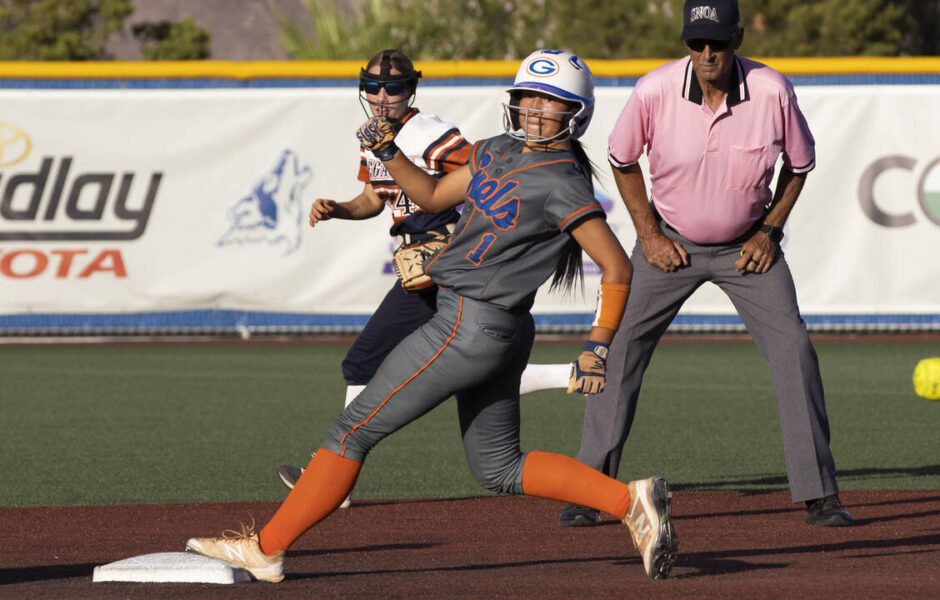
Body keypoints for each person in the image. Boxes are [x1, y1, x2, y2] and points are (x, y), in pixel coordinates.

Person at [186, 49, 679, 582]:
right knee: (498, 467)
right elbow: (435, 193)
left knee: (351, 431)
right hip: (493, 327)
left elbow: (616, 266)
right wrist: (390, 153)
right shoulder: (495, 150)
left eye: (551, 101)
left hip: (468, 323)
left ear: (575, 112)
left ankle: (266, 548)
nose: (535, 109)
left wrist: (597, 345)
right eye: (528, 96)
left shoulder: (562, 179)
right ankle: (630, 501)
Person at [558, 0, 853, 529]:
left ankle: (820, 495)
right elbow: (623, 162)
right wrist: (647, 234)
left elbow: (800, 164)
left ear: (738, 37)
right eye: (697, 43)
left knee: (795, 350)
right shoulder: (653, 90)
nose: (708, 52)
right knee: (618, 351)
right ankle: (589, 489)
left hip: (747, 249)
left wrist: (769, 230)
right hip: (668, 244)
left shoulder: (771, 90)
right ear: (686, 43)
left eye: (718, 41)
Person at [276, 49, 572, 504]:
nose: (382, 96)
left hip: (446, 260)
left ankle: (330, 480)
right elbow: (374, 198)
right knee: (473, 370)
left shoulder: (429, 134)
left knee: (364, 360)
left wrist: (457, 233)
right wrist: (340, 209)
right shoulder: (374, 137)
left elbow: (493, 177)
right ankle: (567, 375)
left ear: (410, 90)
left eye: (393, 88)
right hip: (427, 263)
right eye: (373, 87)